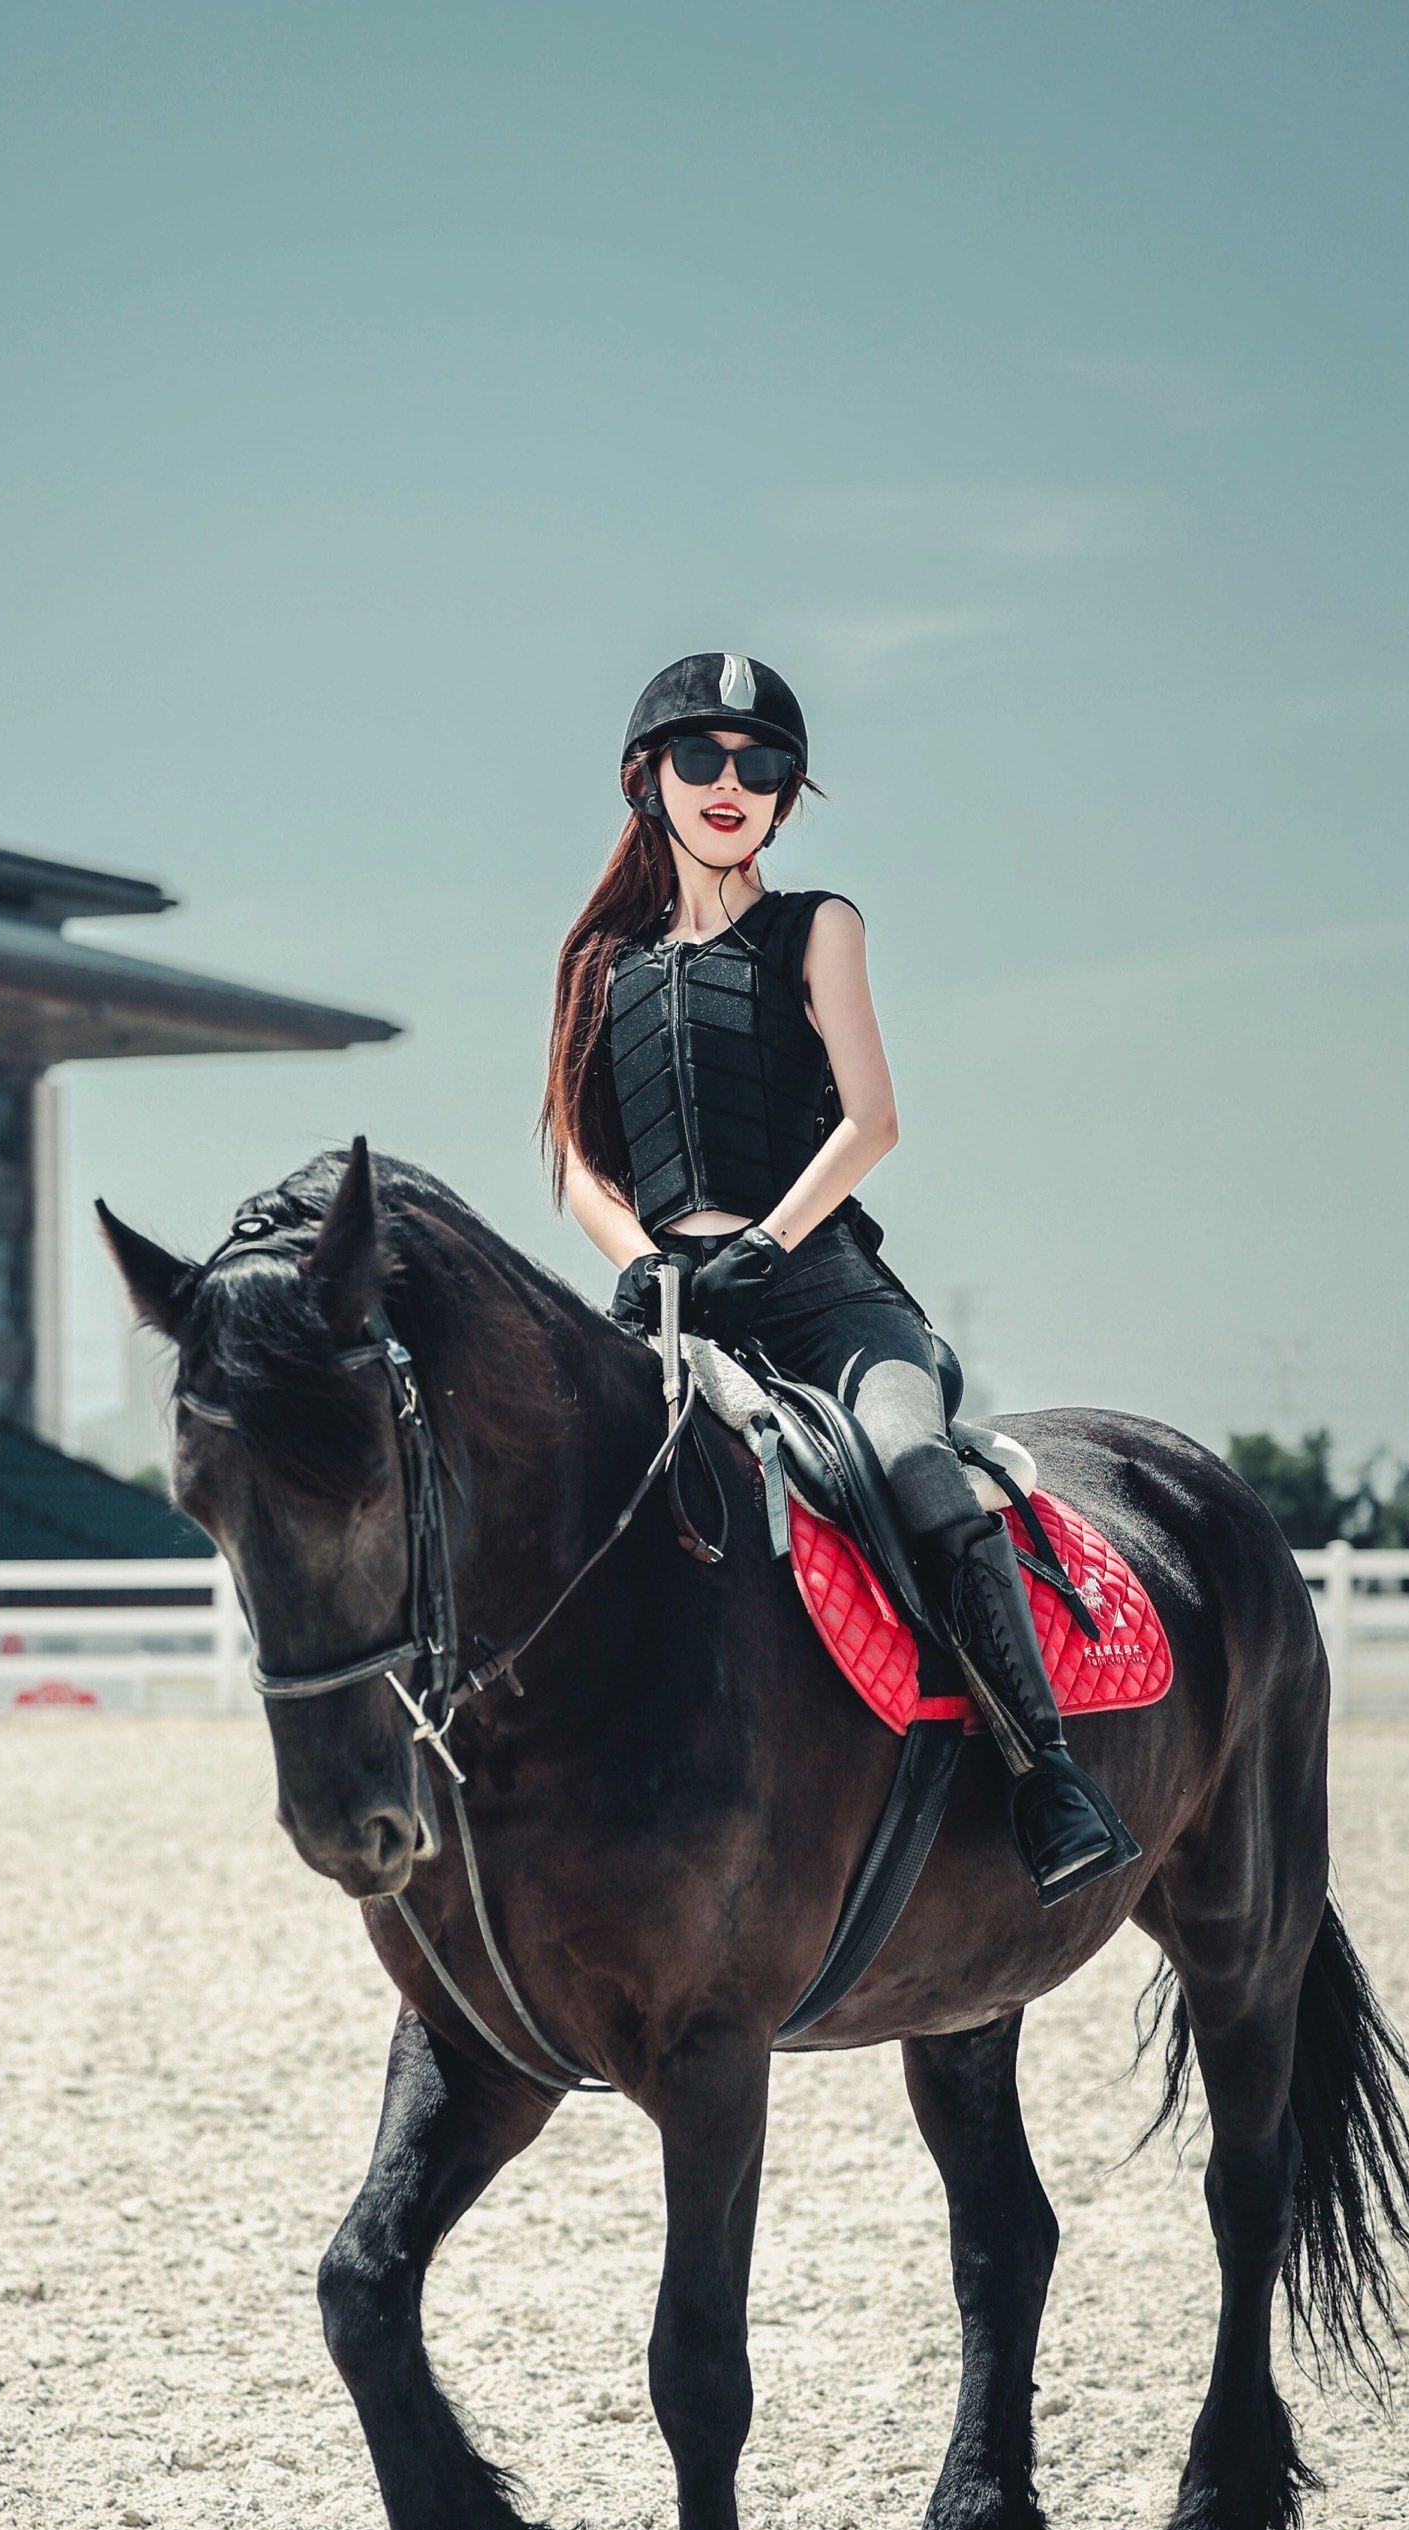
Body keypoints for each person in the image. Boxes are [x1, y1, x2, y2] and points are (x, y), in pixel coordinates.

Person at [539, 650, 1138, 1907]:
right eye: (699, 759)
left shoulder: (817, 927)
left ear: (783, 798)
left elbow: (870, 1121)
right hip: (666, 1307)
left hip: (826, 1301)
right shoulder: (599, 964)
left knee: (917, 1468)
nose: (728, 784)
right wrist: (652, 1266)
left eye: (760, 769)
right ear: (644, 779)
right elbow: (583, 1167)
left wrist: (765, 1246)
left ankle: (1046, 1776)